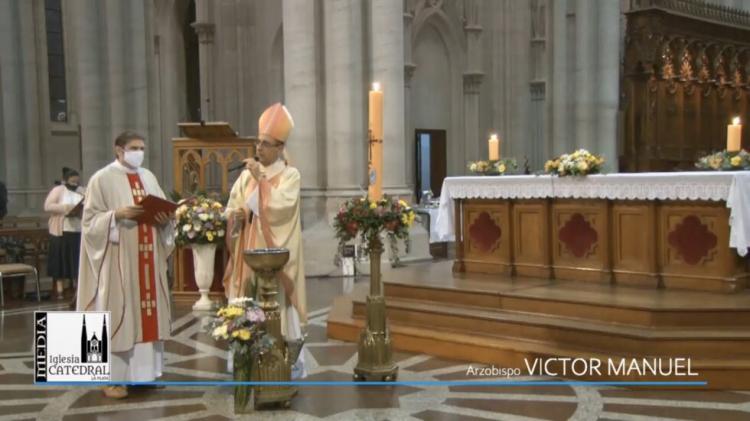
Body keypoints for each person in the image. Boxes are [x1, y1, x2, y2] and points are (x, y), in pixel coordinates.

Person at [76, 131, 175, 399]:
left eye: (142, 147)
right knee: (119, 313)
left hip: (148, 257)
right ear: (118, 149)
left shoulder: (149, 176)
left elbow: (162, 210)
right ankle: (112, 379)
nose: (139, 152)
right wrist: (115, 216)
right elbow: (89, 223)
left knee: (146, 313)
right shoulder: (102, 179)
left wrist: (166, 218)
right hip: (119, 259)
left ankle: (144, 376)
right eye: (134, 148)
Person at [224, 103, 307, 378]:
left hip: (273, 260)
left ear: (280, 147)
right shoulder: (247, 176)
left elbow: (281, 209)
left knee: (277, 308)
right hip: (247, 254)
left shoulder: (289, 175)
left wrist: (261, 182)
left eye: (266, 144)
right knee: (247, 302)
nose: (258, 149)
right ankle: (247, 361)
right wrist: (234, 216)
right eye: (257, 143)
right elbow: (234, 205)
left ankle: (279, 363)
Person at [44, 168, 86, 300]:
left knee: (76, 261)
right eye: (72, 180)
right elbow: (48, 206)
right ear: (66, 179)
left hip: (77, 229)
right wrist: (66, 207)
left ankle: (77, 288)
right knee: (60, 260)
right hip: (61, 231)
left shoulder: (81, 190)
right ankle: (60, 288)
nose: (75, 182)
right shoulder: (58, 190)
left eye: (76, 180)